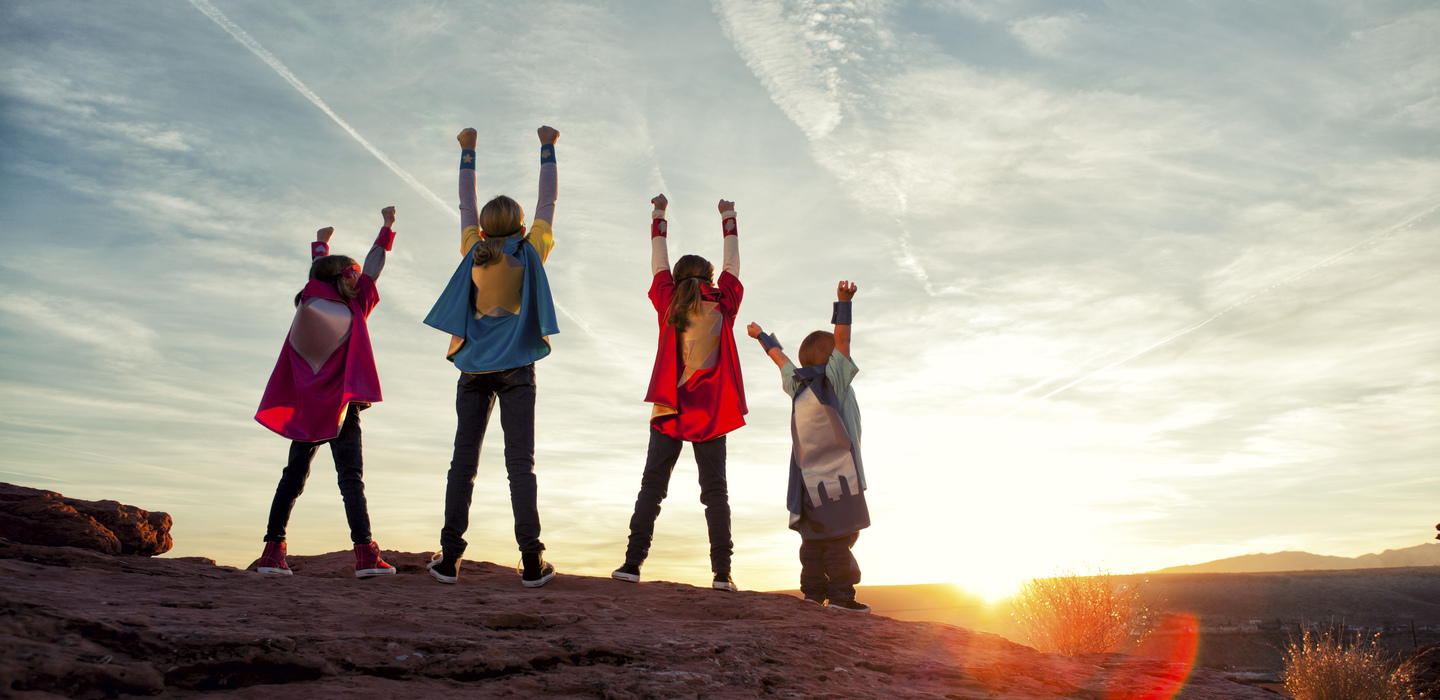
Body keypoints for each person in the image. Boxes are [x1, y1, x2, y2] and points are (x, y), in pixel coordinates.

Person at [422, 126, 560, 588]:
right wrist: (547, 147)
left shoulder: (473, 251)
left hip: (473, 370)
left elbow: (464, 203)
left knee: (464, 461)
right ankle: (533, 561)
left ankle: (449, 559)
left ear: (483, 226)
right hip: (518, 369)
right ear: (522, 225)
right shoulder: (532, 248)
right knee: (521, 464)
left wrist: (468, 153)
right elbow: (549, 204)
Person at [253, 207, 400, 579]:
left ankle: (272, 553)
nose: (358, 277)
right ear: (342, 278)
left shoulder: (308, 304)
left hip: (307, 407)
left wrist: (321, 245)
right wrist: (386, 228)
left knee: (293, 475)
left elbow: (318, 275)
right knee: (351, 477)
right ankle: (366, 555)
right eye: (351, 273)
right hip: (342, 407)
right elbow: (374, 266)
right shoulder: (354, 306)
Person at [612, 194, 746, 592]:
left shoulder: (668, 301)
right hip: (710, 414)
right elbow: (734, 265)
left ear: (679, 278)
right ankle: (722, 574)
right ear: (708, 278)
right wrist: (728, 217)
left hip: (669, 409)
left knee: (651, 489)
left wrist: (658, 215)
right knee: (715, 494)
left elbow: (658, 263)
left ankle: (632, 564)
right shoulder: (723, 301)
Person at [746, 281, 871, 612]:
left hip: (806, 481)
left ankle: (814, 595)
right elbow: (842, 341)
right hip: (841, 477)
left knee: (814, 539)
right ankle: (842, 598)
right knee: (841, 538)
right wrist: (843, 304)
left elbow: (780, 360)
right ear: (833, 360)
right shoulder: (835, 380)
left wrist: (762, 336)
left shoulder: (797, 383)